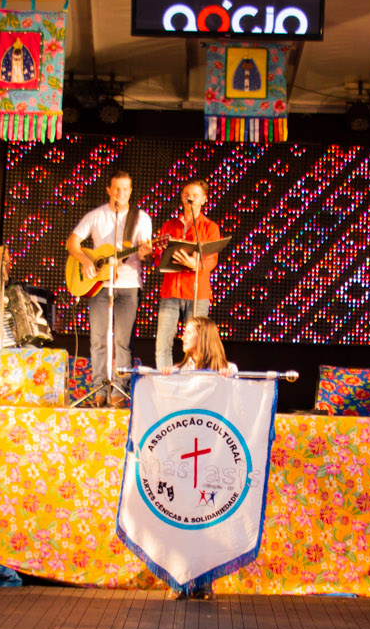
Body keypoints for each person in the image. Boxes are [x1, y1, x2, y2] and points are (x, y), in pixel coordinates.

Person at [65, 170, 156, 407]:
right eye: (116, 189)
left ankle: (118, 390)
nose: (120, 193)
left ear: (131, 191)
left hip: (128, 285)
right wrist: (85, 260)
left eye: (125, 189)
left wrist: (145, 252)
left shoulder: (141, 218)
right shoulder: (96, 215)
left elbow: (145, 251)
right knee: (98, 340)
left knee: (123, 342)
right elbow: (72, 242)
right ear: (108, 190)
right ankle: (99, 390)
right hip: (99, 285)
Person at [167, 315, 240, 603]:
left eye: (188, 332)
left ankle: (205, 582)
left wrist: (229, 384)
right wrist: (163, 381)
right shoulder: (178, 370)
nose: (182, 336)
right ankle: (179, 581)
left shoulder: (228, 370)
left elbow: (237, 407)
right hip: (182, 456)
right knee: (179, 518)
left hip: (213, 455)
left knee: (207, 519)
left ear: (204, 337)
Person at [154, 180, 222, 372]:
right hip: (171, 290)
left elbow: (212, 259)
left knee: (198, 343)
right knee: (163, 342)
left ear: (203, 199)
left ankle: (194, 381)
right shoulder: (170, 225)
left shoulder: (210, 227)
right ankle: (165, 383)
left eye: (195, 195)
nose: (190, 198)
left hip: (197, 292)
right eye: (186, 194)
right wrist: (152, 252)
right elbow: (158, 258)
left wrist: (196, 265)